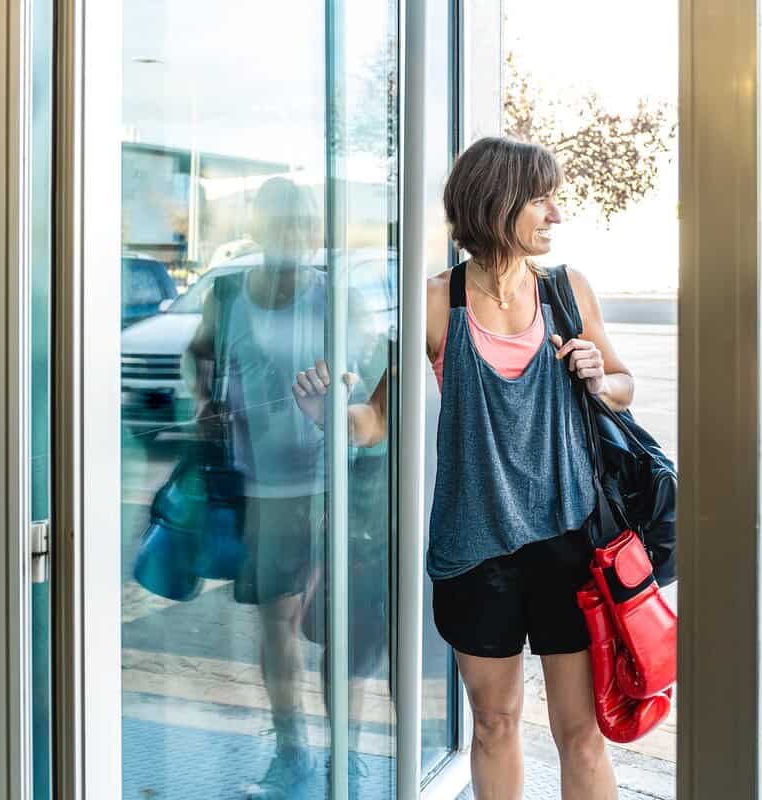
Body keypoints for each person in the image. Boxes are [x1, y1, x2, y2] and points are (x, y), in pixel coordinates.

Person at [292, 136, 631, 799]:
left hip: (570, 543)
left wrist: (599, 376)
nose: (556, 214)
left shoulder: (566, 291)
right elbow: (376, 423)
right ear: (497, 202)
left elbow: (621, 385)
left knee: (581, 733)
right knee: (494, 724)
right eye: (541, 199)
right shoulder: (433, 304)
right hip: (475, 553)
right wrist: (327, 414)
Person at [188, 176, 328, 799]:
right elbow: (201, 355)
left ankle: (343, 747)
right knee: (279, 624)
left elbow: (373, 376)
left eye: (301, 223)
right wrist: (207, 402)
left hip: (329, 484)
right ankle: (292, 748)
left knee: (336, 626)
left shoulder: (331, 296)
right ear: (260, 228)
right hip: (264, 488)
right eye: (280, 222)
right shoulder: (228, 294)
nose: (292, 234)